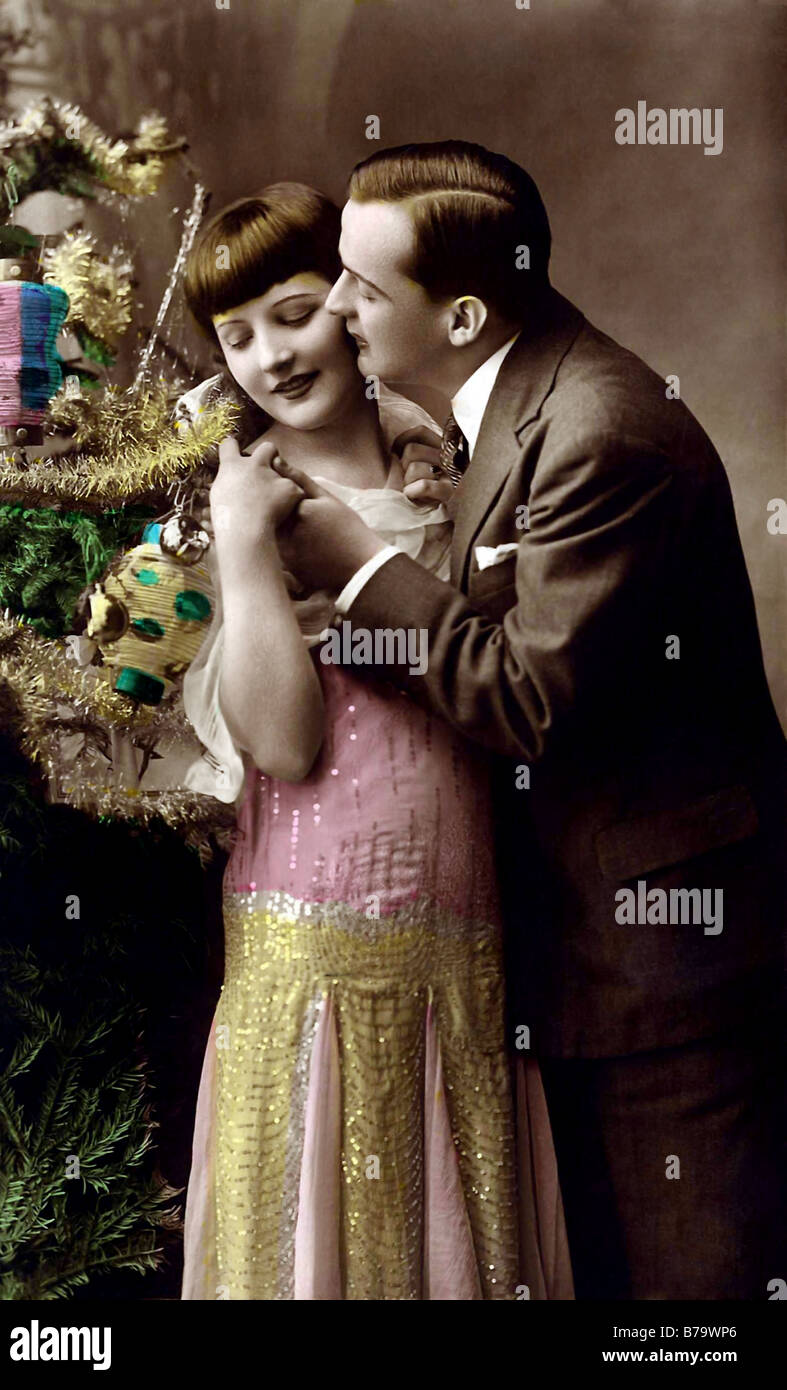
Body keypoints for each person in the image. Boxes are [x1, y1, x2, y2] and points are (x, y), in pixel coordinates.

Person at [272, 143, 787, 1300]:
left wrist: (354, 571)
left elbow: (523, 697)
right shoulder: (493, 399)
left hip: (665, 976)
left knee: (688, 1313)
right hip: (568, 957)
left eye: (361, 286)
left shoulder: (601, 429)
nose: (336, 308)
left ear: (459, 314)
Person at [176, 182, 573, 1300]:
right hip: (307, 951)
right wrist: (248, 553)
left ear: (354, 305)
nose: (271, 354)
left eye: (294, 311)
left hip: (462, 942)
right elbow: (283, 744)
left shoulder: (461, 471)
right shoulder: (240, 501)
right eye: (236, 336)